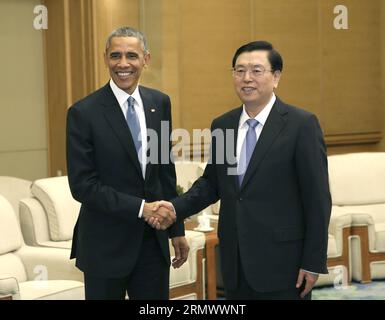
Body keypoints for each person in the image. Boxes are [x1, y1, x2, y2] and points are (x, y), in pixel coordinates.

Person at [149, 41, 332, 300]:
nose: (247, 78)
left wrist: (313, 261)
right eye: (239, 71)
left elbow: (318, 199)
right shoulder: (223, 125)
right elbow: (212, 184)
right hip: (235, 263)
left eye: (257, 71)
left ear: (276, 77)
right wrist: (175, 208)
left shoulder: (301, 125)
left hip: (284, 263)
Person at [66, 26, 188, 300]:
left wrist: (176, 229)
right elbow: (83, 186)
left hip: (152, 244)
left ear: (146, 59)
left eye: (131, 55)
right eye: (115, 56)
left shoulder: (160, 103)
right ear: (105, 58)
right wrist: (141, 209)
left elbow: (164, 171)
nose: (123, 64)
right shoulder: (83, 113)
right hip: (104, 245)